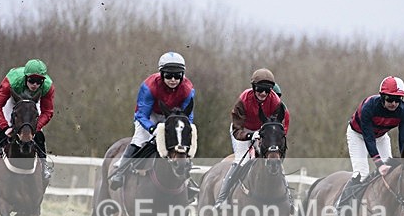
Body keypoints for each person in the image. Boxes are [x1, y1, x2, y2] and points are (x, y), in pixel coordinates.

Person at [109, 51, 198, 199]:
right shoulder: (149, 86)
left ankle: (187, 180)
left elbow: (187, 115)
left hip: (172, 116)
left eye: (177, 75)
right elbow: (141, 115)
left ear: (182, 75)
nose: (173, 79)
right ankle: (120, 172)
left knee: (181, 144)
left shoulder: (188, 89)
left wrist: (185, 130)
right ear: (161, 74)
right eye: (168, 75)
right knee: (140, 139)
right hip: (149, 115)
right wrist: (152, 128)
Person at [331, 76, 404, 216]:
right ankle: (341, 209)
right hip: (358, 135)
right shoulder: (369, 106)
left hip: (381, 137)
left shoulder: (403, 110)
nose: (394, 103)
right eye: (390, 99)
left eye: (398, 99)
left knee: (391, 173)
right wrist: (379, 163)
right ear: (382, 96)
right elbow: (368, 138)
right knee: (361, 173)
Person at [214, 68, 290, 207]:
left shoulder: (276, 102)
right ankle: (222, 198)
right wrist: (250, 135)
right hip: (242, 130)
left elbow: (276, 126)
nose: (263, 93)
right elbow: (237, 130)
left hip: (263, 131)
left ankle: (288, 199)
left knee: (274, 159)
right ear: (254, 88)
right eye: (260, 89)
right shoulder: (243, 100)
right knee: (242, 160)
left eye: (267, 90)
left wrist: (267, 137)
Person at [0, 58, 55, 179]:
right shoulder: (12, 81)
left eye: (39, 81)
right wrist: (4, 126)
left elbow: (47, 112)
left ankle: (44, 166)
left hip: (33, 102)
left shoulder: (48, 87)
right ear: (25, 77)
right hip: (13, 100)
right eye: (32, 80)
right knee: (2, 130)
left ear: (44, 80)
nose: (35, 85)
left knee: (39, 133)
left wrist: (35, 128)